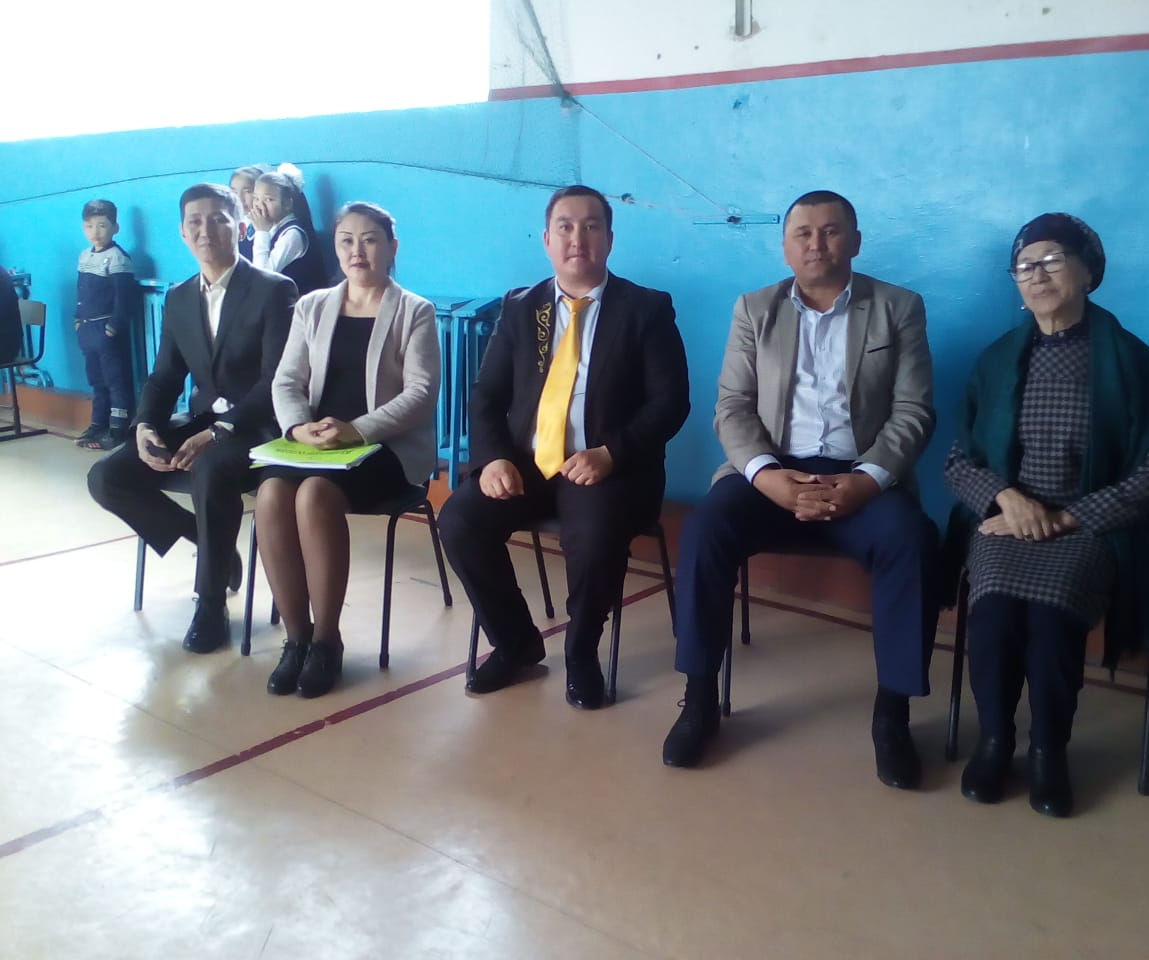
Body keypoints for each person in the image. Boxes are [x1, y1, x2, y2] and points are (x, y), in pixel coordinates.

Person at [662, 190, 940, 789]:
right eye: (804, 233)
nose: (818, 244)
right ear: (786, 246)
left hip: (860, 475)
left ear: (855, 241)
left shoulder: (898, 308)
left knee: (912, 541)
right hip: (771, 473)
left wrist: (866, 481)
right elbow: (732, 407)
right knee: (706, 528)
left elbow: (914, 411)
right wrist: (768, 477)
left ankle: (893, 715)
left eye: (832, 231)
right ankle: (699, 698)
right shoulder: (755, 309)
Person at [943, 213, 1149, 817]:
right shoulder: (997, 360)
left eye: (1051, 260)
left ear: (1088, 272)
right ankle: (995, 742)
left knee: (1050, 619)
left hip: (1090, 527)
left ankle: (1049, 751)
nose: (1037, 275)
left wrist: (1068, 518)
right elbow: (958, 461)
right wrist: (1007, 498)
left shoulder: (1128, 359)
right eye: (1024, 266)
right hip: (1005, 520)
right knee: (993, 611)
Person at [438, 184, 690, 710]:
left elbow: (670, 404)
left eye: (592, 226)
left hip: (609, 466)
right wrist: (493, 458)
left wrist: (611, 453)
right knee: (460, 520)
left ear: (610, 239)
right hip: (528, 463)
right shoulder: (522, 307)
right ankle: (515, 642)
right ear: (548, 240)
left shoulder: (645, 309)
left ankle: (581, 653)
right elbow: (486, 395)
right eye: (566, 227)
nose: (579, 238)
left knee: (594, 536)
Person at [87, 183, 297, 654]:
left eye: (218, 219)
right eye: (195, 222)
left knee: (210, 467)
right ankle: (205, 541)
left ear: (239, 228)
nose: (206, 230)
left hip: (257, 425)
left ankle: (210, 603)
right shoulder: (180, 297)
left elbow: (276, 381)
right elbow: (164, 376)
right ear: (182, 233)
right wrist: (145, 425)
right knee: (107, 477)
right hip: (203, 419)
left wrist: (220, 431)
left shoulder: (273, 290)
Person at [256, 202, 440, 698]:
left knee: (314, 495)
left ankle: (325, 641)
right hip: (316, 443)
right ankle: (295, 639)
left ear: (392, 247)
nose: (357, 250)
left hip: (383, 447)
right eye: (346, 240)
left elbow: (421, 393)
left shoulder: (415, 311)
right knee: (271, 494)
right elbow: (286, 381)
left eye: (370, 239)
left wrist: (356, 431)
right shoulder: (312, 305)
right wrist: (298, 428)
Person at [73, 199, 137, 450]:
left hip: (106, 330)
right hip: (87, 328)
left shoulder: (118, 258)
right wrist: (77, 319)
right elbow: (80, 291)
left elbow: (124, 297)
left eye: (102, 225)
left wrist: (114, 325)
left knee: (115, 379)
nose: (95, 232)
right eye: (90, 226)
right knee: (96, 379)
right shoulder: (84, 256)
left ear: (115, 228)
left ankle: (118, 428)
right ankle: (98, 423)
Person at [250, 163, 327, 295]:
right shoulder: (272, 227)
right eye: (256, 198)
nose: (259, 205)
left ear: (287, 204)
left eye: (268, 199)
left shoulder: (293, 234)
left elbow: (261, 278)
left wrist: (261, 233)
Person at [230, 164, 270, 260]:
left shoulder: (271, 226)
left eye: (247, 191)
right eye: (234, 192)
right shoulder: (235, 224)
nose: (239, 198)